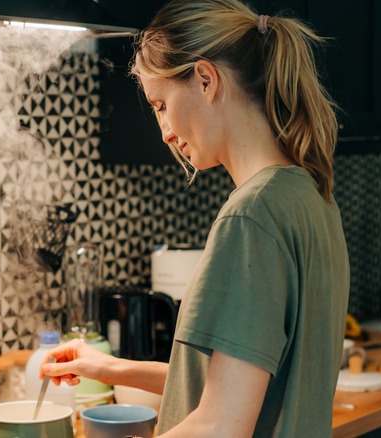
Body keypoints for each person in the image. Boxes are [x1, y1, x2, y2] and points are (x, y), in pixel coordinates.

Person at [41, 0, 350, 435]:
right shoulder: (312, 197)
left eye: (162, 104)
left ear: (205, 79)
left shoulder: (251, 216)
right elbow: (237, 391)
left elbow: (222, 425)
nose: (164, 131)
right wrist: (112, 367)